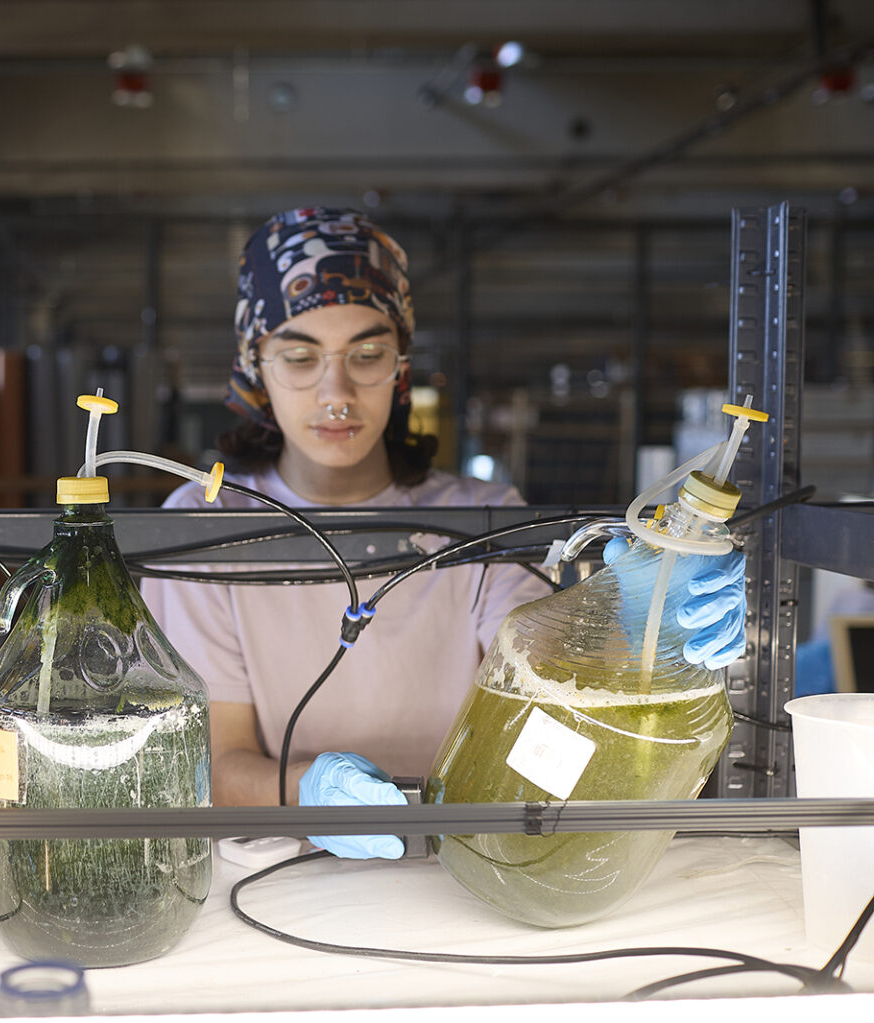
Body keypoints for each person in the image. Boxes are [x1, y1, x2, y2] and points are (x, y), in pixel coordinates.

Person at [140, 206, 745, 859]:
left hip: (468, 865)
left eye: (367, 354)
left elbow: (554, 704)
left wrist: (636, 628)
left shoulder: (481, 521)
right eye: (299, 356)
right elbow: (216, 763)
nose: (335, 391)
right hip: (278, 872)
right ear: (254, 361)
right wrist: (307, 796)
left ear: (401, 366)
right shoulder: (204, 528)